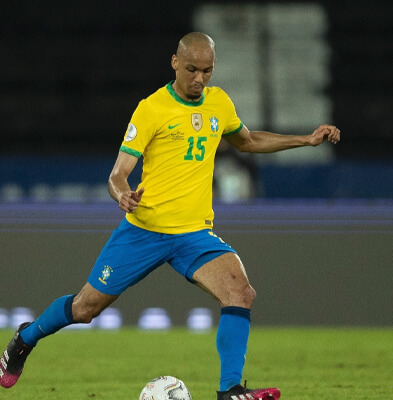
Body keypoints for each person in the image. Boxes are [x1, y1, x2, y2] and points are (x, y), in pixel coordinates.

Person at [0, 32, 340, 400]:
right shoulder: (151, 109)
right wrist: (122, 195)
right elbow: (117, 174)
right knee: (84, 309)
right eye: (192, 69)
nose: (199, 79)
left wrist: (305, 140)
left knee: (240, 292)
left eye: (207, 71)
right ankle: (24, 339)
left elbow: (249, 141)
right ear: (175, 62)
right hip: (143, 231)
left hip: (193, 234)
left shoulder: (219, 103)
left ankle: (230, 390)